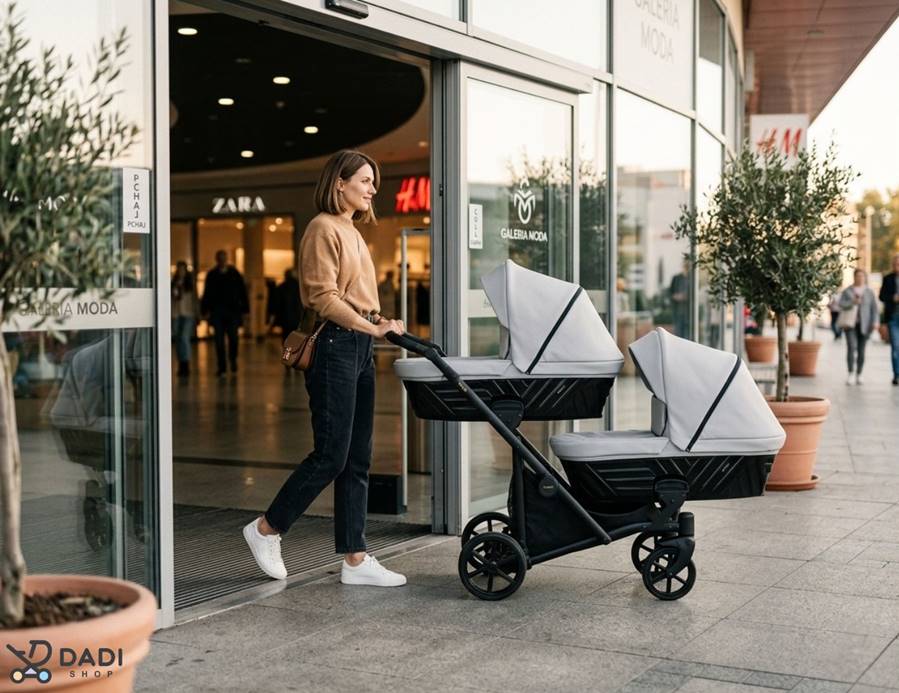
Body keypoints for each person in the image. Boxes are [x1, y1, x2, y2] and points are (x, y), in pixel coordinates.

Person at [242, 149, 407, 587]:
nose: (373, 189)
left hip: (358, 347)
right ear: (340, 183)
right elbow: (321, 297)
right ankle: (265, 529)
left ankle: (355, 559)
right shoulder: (322, 228)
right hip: (334, 345)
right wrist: (369, 329)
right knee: (331, 454)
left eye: (374, 182)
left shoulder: (353, 231)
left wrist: (381, 323)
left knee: (357, 457)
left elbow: (357, 298)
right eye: (366, 180)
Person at [200, 250, 249, 377]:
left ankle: (232, 360)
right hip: (217, 312)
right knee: (219, 341)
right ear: (217, 259)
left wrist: (245, 310)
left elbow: (242, 292)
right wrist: (204, 310)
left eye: (224, 258)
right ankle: (221, 367)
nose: (222, 260)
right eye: (220, 258)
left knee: (233, 339)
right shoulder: (212, 275)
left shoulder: (234, 274)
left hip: (232, 312)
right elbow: (207, 293)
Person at [839, 268, 879, 385]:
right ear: (854, 277)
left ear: (865, 277)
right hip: (850, 324)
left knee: (862, 350)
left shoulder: (869, 292)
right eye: (858, 276)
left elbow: (874, 309)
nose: (860, 278)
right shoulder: (847, 291)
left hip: (865, 325)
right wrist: (852, 302)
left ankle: (859, 373)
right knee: (851, 347)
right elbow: (841, 304)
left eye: (862, 276)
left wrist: (875, 322)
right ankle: (851, 373)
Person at [171, 261, 198, 377]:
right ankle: (181, 363)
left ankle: (186, 363)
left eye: (183, 269)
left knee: (184, 338)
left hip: (188, 314)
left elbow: (194, 300)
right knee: (177, 338)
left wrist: (198, 314)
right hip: (175, 314)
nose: (181, 271)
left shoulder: (190, 284)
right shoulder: (173, 283)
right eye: (179, 269)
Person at [878, 253, 899, 385]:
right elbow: (881, 296)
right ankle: (896, 375)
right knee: (896, 347)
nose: (897, 266)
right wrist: (892, 298)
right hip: (893, 318)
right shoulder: (887, 278)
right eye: (895, 264)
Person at [274, 268, 302, 334]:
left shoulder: (281, 287)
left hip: (285, 318)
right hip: (298, 317)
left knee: (286, 336)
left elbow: (277, 304)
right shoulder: (299, 287)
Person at [669, 259, 690, 338]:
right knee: (678, 333)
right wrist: (675, 296)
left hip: (689, 312)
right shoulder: (676, 278)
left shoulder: (692, 278)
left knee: (688, 334)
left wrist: (686, 297)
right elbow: (670, 293)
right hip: (678, 311)